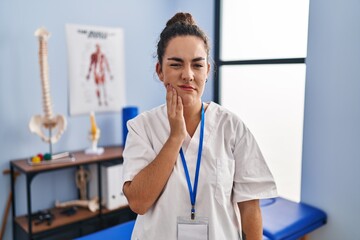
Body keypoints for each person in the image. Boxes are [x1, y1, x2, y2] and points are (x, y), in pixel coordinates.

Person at [122, 12, 277, 240]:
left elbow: (250, 207)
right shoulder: (142, 127)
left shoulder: (231, 127)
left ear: (208, 71)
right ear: (160, 71)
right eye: (176, 64)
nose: (188, 75)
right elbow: (138, 202)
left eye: (197, 65)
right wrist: (175, 136)